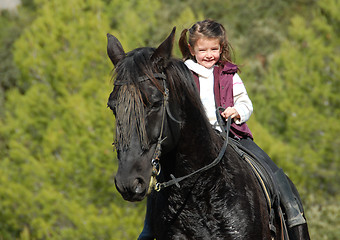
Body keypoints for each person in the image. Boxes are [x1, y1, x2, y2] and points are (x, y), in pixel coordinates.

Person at [178, 19, 306, 228]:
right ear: (191, 49)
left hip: (232, 135)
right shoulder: (182, 74)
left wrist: (237, 111)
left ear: (221, 48)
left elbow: (246, 103)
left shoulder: (229, 74)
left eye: (214, 49)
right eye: (203, 50)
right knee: (163, 178)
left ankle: (292, 214)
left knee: (269, 167)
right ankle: (149, 228)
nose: (209, 54)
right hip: (194, 140)